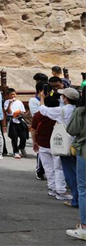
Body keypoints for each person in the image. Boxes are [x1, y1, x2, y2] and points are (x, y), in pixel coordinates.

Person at [41, 87, 79, 206]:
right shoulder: (77, 109)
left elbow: (44, 110)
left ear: (65, 98)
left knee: (66, 170)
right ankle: (75, 197)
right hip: (77, 142)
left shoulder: (63, 110)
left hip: (65, 143)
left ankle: (72, 196)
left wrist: (42, 98)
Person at [33, 94, 70, 201]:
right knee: (59, 168)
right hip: (57, 144)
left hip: (42, 144)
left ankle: (52, 189)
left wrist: (35, 142)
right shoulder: (58, 114)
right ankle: (60, 191)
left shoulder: (39, 115)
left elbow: (33, 129)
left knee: (48, 168)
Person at [66, 90, 86, 240]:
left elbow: (71, 129)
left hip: (84, 151)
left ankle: (84, 227)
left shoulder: (81, 111)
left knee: (83, 188)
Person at [3, 88, 28, 159]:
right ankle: (15, 152)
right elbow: (8, 112)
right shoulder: (6, 102)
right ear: (8, 95)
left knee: (23, 136)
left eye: (14, 94)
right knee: (14, 138)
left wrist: (20, 113)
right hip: (12, 121)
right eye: (11, 94)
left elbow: (23, 111)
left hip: (20, 120)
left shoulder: (19, 102)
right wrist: (10, 103)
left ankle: (21, 147)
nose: (12, 96)